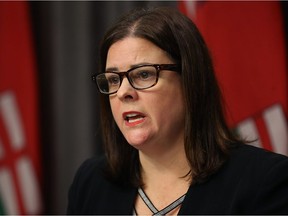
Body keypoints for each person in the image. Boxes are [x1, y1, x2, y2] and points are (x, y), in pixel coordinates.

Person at [67, 7, 288, 215]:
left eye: (143, 74)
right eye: (114, 79)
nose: (124, 92)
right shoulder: (91, 182)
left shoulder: (264, 181)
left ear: (190, 81)